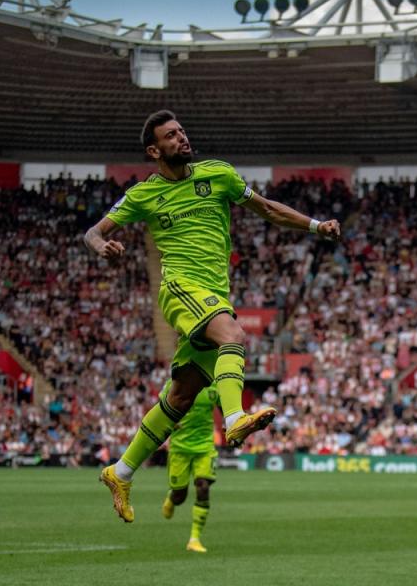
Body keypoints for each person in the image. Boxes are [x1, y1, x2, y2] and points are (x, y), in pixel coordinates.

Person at [84, 110, 340, 522]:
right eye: (171, 135)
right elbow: (93, 232)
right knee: (233, 336)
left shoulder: (217, 174)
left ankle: (121, 471)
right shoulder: (143, 195)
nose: (181, 138)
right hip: (181, 287)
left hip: (213, 292)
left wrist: (315, 226)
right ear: (154, 150)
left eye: (182, 131)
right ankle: (235, 418)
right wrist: (102, 246)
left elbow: (267, 209)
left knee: (181, 397)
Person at [159, 380, 220, 553]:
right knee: (180, 495)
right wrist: (169, 421)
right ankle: (172, 497)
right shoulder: (176, 381)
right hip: (180, 448)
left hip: (205, 446)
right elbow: (162, 406)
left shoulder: (215, 385)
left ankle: (194, 539)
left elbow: (227, 411)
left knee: (203, 487)